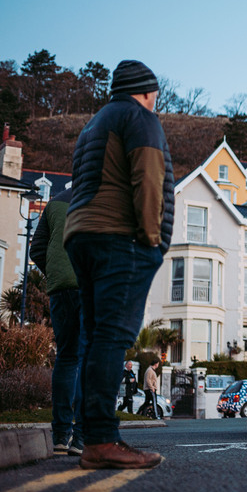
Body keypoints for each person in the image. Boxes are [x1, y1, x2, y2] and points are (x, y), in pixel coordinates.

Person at [64, 59, 174, 470]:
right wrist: (153, 239)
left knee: (94, 337)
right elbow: (148, 177)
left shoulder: (95, 122)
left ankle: (92, 436)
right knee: (112, 337)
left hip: (82, 233)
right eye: (155, 95)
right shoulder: (139, 117)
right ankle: (103, 441)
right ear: (146, 92)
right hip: (118, 236)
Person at [29, 186, 85, 456]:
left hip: (60, 289)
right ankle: (83, 438)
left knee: (66, 357)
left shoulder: (54, 203)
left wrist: (56, 275)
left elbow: (36, 250)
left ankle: (61, 436)